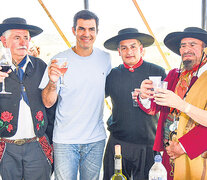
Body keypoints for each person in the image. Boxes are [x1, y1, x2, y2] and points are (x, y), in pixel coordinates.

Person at [39, 10, 111, 180]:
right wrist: (52, 81)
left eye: (91, 29)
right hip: (65, 140)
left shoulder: (105, 58)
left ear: (97, 31)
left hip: (95, 139)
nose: (87, 34)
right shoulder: (58, 60)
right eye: (81, 29)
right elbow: (47, 102)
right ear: (74, 31)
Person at [137, 27, 207, 180]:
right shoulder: (175, 75)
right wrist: (144, 95)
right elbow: (156, 107)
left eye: (193, 44)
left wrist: (183, 146)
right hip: (170, 153)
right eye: (183, 45)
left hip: (198, 154)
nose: (186, 49)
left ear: (205, 49)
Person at [102, 28, 166, 180]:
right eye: (124, 48)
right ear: (118, 51)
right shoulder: (113, 75)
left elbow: (167, 108)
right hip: (118, 142)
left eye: (133, 46)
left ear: (141, 49)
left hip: (148, 144)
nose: (129, 51)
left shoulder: (157, 71)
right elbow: (94, 97)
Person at [0, 17, 53, 180]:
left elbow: (50, 105)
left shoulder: (40, 66)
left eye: (26, 38)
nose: (23, 42)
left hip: (37, 145)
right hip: (6, 148)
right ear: (4, 41)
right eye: (17, 37)